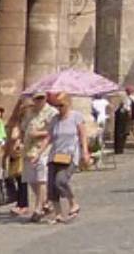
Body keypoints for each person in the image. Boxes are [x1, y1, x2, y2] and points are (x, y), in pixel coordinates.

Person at [44, 91, 90, 224]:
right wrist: (39, 153)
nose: (59, 108)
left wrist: (85, 152)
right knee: (51, 186)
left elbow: (83, 135)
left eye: (61, 105)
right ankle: (58, 214)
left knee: (61, 181)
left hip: (70, 155)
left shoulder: (76, 117)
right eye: (56, 105)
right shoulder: (55, 119)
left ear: (68, 103)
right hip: (54, 155)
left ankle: (73, 203)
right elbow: (49, 137)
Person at [24, 91, 55, 218]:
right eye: (36, 98)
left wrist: (39, 133)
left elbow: (53, 131)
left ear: (46, 98)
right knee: (31, 180)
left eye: (41, 98)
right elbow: (24, 127)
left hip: (43, 149)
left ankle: (38, 209)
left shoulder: (51, 112)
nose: (39, 100)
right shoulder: (30, 112)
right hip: (28, 150)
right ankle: (45, 202)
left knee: (41, 179)